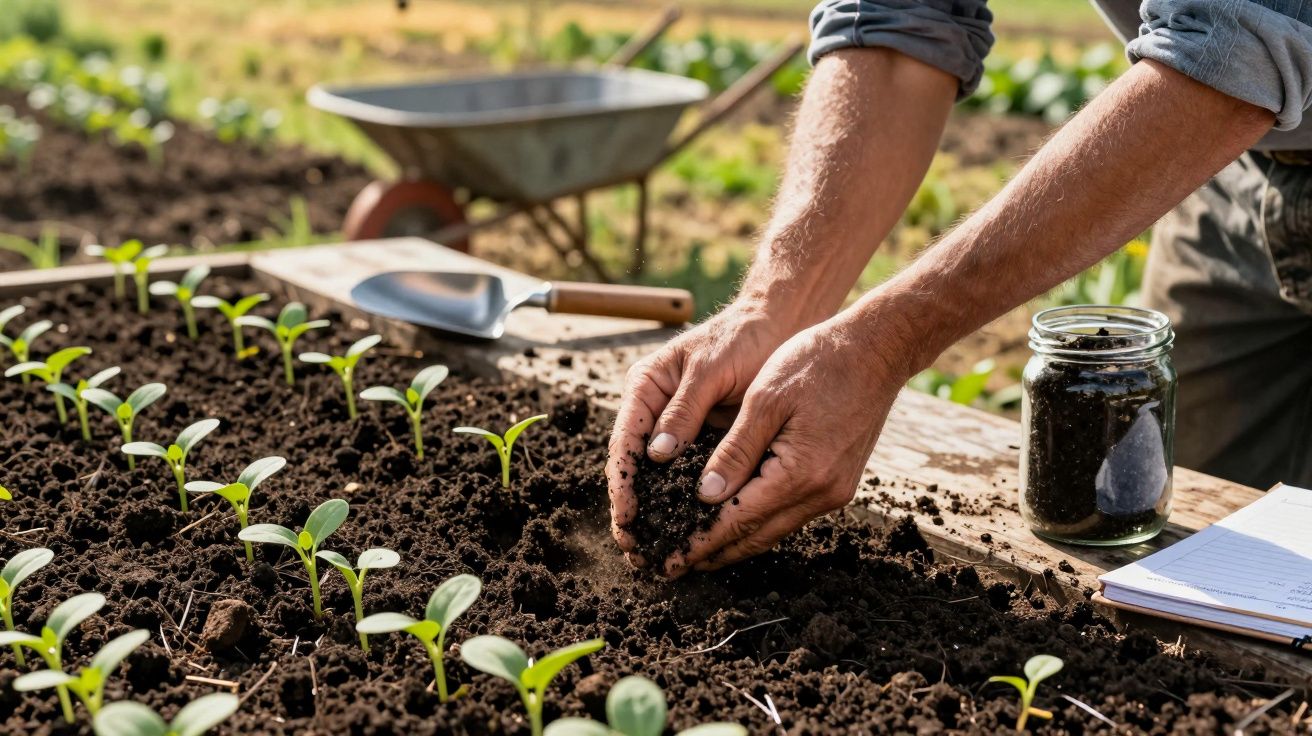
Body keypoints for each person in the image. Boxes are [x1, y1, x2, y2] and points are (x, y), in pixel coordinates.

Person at [606, 0, 1312, 577]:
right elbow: (898, 18)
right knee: (1184, 543)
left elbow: (1234, 48)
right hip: (1229, 171)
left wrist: (883, 344)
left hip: (1221, 106)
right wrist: (775, 305)